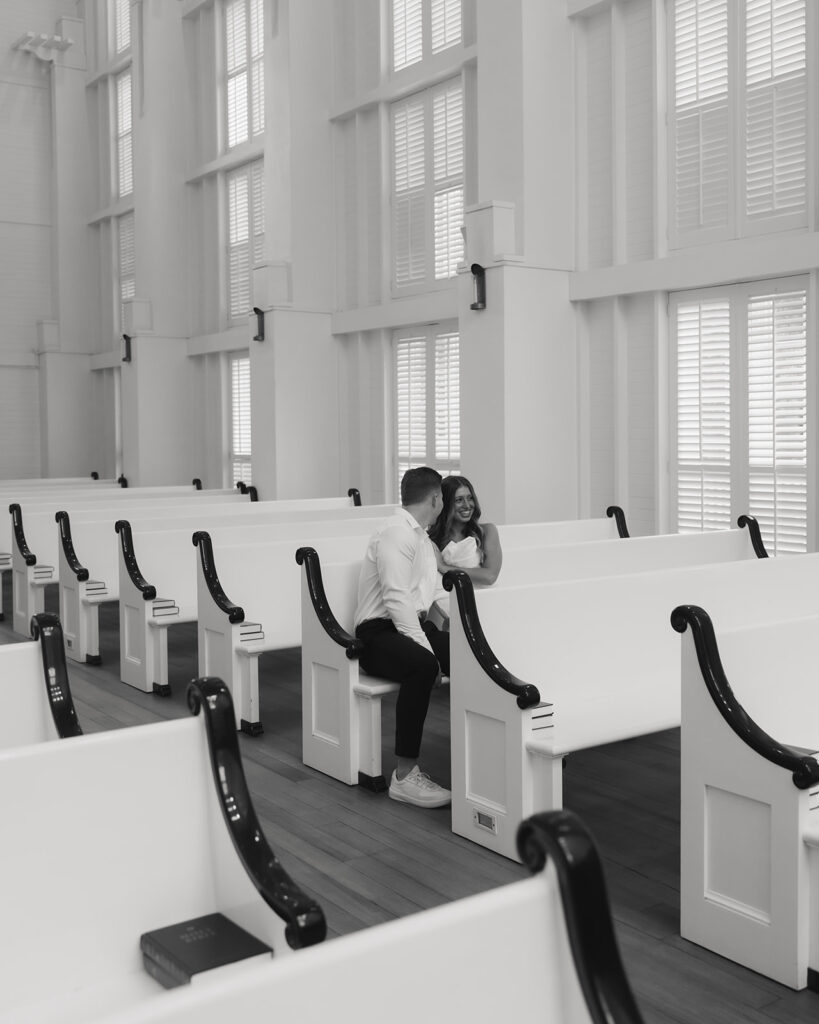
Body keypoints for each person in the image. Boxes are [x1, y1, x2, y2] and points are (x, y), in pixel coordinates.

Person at [354, 467, 451, 808]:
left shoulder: (422, 538)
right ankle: (404, 776)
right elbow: (396, 601)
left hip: (410, 627)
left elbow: (438, 593)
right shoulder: (396, 533)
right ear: (436, 498)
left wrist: (476, 636)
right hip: (375, 635)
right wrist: (430, 653)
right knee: (423, 667)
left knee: (470, 657)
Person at [429, 475, 502, 585]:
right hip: (448, 599)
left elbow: (490, 576)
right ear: (446, 504)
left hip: (484, 598)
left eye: (470, 498)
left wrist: (444, 567)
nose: (467, 505)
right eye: (459, 500)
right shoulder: (432, 539)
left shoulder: (487, 532)